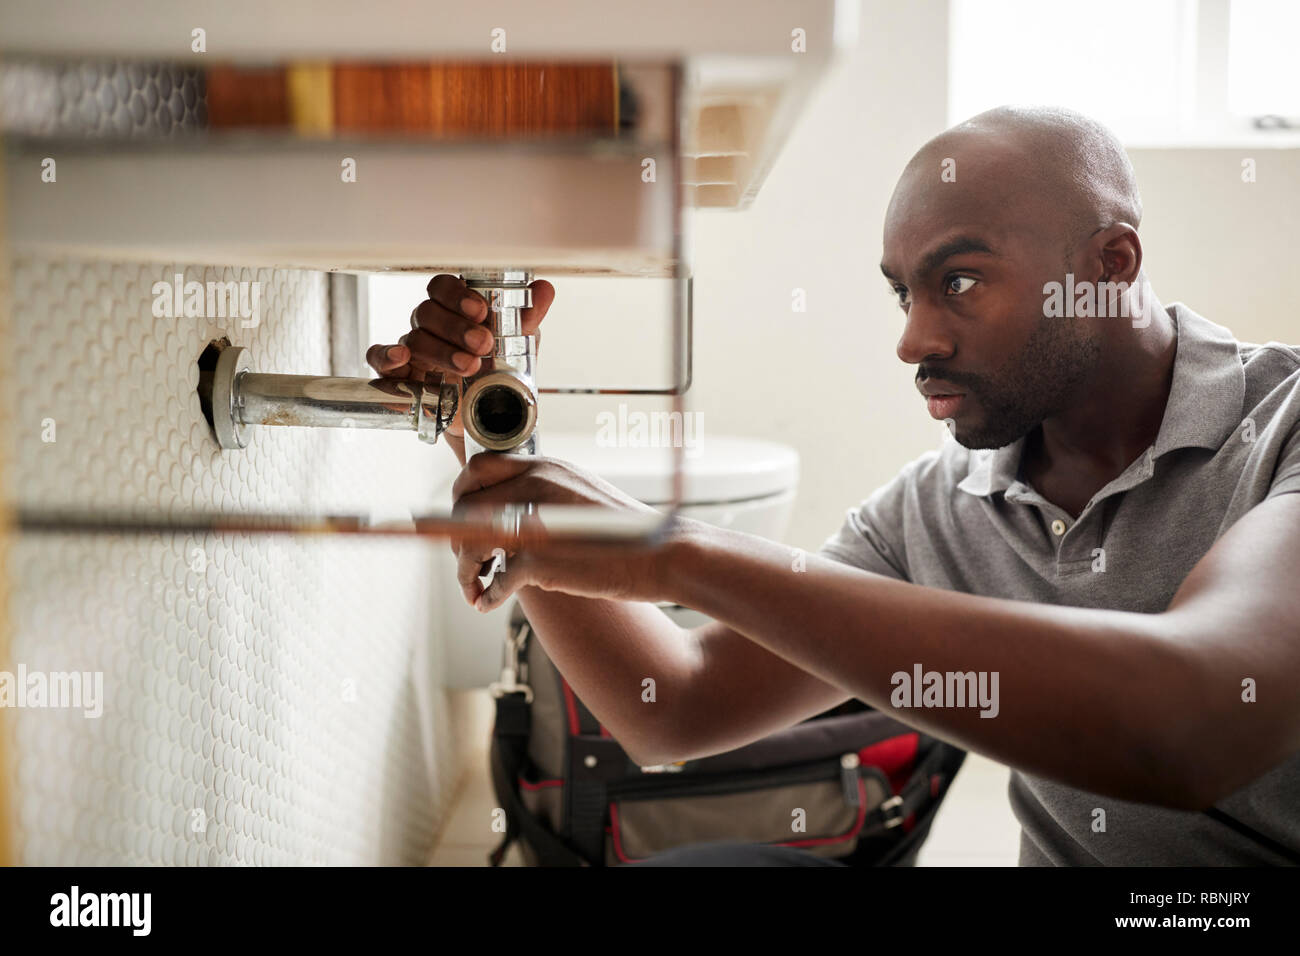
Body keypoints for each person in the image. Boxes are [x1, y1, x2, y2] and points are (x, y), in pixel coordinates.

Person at [367, 106, 1300, 866]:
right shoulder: (943, 509)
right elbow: (675, 701)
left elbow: (1198, 723)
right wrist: (489, 435)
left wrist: (672, 553)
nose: (914, 338)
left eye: (961, 282)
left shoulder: (1286, 430)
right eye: (905, 293)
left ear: (1109, 267)